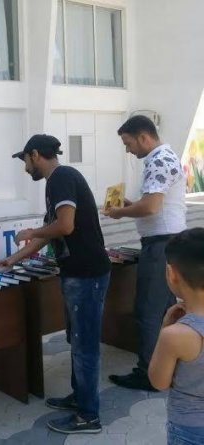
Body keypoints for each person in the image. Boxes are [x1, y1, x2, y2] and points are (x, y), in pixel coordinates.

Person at [0, 134, 111, 434]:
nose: (25, 168)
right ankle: (80, 397)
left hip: (86, 275)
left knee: (85, 346)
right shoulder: (59, 181)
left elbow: (65, 226)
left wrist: (30, 232)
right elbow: (50, 233)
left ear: (35, 155)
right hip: (77, 273)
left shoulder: (61, 178)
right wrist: (14, 259)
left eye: (25, 161)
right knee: (78, 341)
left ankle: (89, 416)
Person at [105, 115, 187, 391]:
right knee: (165, 308)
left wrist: (120, 212)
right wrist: (130, 205)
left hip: (161, 244)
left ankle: (149, 373)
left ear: (143, 136)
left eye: (128, 143)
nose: (128, 150)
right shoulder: (164, 157)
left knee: (148, 310)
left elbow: (151, 207)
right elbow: (153, 203)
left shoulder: (159, 160)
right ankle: (170, 364)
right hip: (167, 242)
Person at [149, 228, 204, 444]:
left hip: (190, 429)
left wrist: (165, 327)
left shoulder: (175, 336)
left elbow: (159, 381)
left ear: (172, 274)